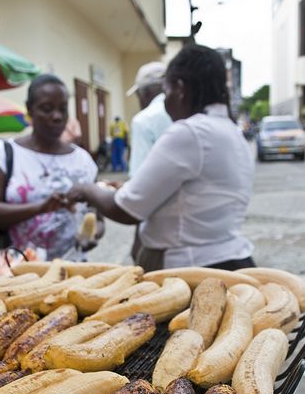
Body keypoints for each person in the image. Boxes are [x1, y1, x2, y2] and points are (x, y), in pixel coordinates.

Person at [67, 44, 255, 272]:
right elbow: (191, 194)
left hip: (187, 268)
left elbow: (126, 209)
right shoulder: (232, 132)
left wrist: (87, 189)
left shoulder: (189, 132)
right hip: (231, 261)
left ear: (180, 88)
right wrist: (126, 188)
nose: (165, 104)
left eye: (166, 93)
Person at [0, 74, 102, 260]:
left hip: (74, 273)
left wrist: (92, 234)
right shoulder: (6, 153)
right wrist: (40, 208)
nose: (57, 116)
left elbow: (96, 217)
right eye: (47, 109)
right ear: (30, 110)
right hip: (19, 273)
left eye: (63, 109)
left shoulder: (82, 160)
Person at [127, 61, 172, 260]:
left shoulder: (144, 120)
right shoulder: (189, 112)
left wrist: (138, 239)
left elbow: (141, 188)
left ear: (144, 94)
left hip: (158, 232)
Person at [127, 61, 172, 176]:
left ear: (145, 93)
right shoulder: (185, 110)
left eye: (138, 95)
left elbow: (139, 174)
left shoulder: (143, 120)